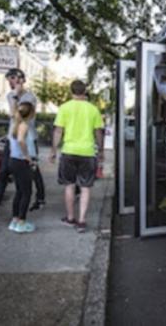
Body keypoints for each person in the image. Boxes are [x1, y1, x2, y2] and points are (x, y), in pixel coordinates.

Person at [0, 68, 45, 220]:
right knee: (3, 173)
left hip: (27, 140)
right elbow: (13, 116)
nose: (9, 82)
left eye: (12, 79)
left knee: (32, 171)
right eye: (8, 79)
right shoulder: (10, 95)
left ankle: (37, 200)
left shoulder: (29, 97)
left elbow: (17, 115)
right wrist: (14, 95)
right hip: (13, 140)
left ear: (20, 79)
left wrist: (16, 95)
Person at [49, 80, 104, 233]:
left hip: (69, 151)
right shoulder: (93, 109)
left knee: (69, 186)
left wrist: (53, 150)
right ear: (85, 91)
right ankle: (82, 221)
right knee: (86, 188)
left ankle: (70, 218)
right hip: (87, 152)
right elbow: (99, 132)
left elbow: (58, 131)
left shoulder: (64, 108)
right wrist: (101, 151)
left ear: (71, 91)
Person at [8, 101, 37, 233]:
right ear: (31, 113)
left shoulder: (16, 124)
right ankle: (21, 222)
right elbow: (20, 140)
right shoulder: (24, 125)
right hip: (21, 161)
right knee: (27, 192)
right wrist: (27, 156)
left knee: (19, 192)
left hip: (14, 160)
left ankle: (14, 220)